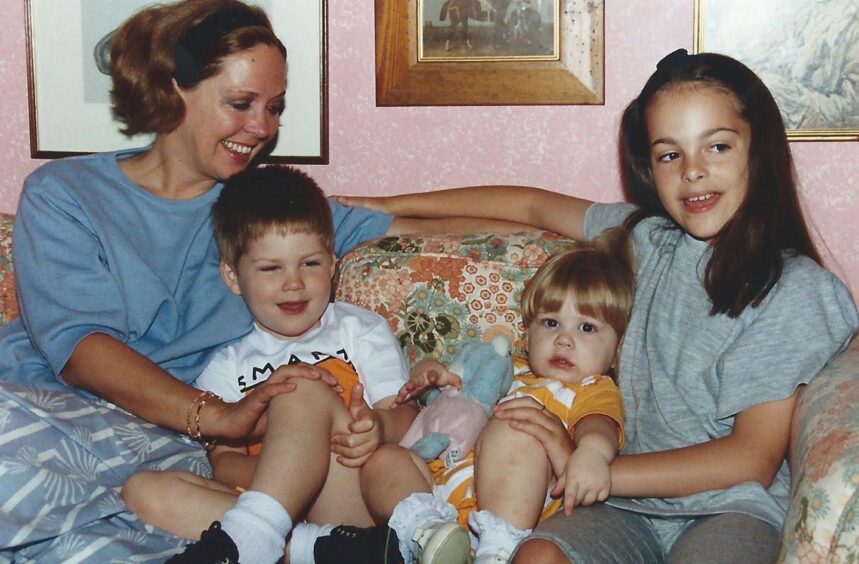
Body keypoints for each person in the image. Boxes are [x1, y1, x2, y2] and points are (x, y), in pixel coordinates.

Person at [0, 1, 520, 560]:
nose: (262, 128)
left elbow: (494, 221)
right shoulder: (67, 194)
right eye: (241, 104)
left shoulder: (266, 216)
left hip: (177, 449)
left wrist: (604, 225)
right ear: (175, 87)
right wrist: (213, 414)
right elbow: (82, 350)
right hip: (57, 411)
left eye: (273, 108)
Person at [335, 49, 859, 563]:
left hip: (730, 510)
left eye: (717, 147)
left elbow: (751, 458)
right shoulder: (648, 240)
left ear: (759, 151)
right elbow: (532, 207)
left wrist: (585, 463)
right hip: (619, 507)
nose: (693, 172)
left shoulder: (796, 290)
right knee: (537, 556)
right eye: (669, 154)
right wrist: (390, 209)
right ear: (650, 167)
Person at [121, 165, 418, 564]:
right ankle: (311, 548)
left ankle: (263, 540)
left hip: (346, 488)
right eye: (270, 268)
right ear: (233, 276)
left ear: (332, 264)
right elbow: (225, 464)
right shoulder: (225, 359)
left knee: (298, 388)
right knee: (142, 491)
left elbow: (403, 415)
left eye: (309, 264)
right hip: (282, 509)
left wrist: (379, 427)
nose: (293, 283)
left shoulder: (358, 329)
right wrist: (285, 468)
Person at [316, 229, 633, 564]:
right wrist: (430, 371)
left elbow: (599, 427)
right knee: (384, 460)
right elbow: (444, 403)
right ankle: (428, 536)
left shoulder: (591, 388)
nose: (564, 340)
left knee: (515, 425)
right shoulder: (501, 367)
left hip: (516, 511)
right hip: (441, 501)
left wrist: (592, 455)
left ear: (615, 353)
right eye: (551, 323)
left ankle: (496, 551)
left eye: (586, 328)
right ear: (527, 333)